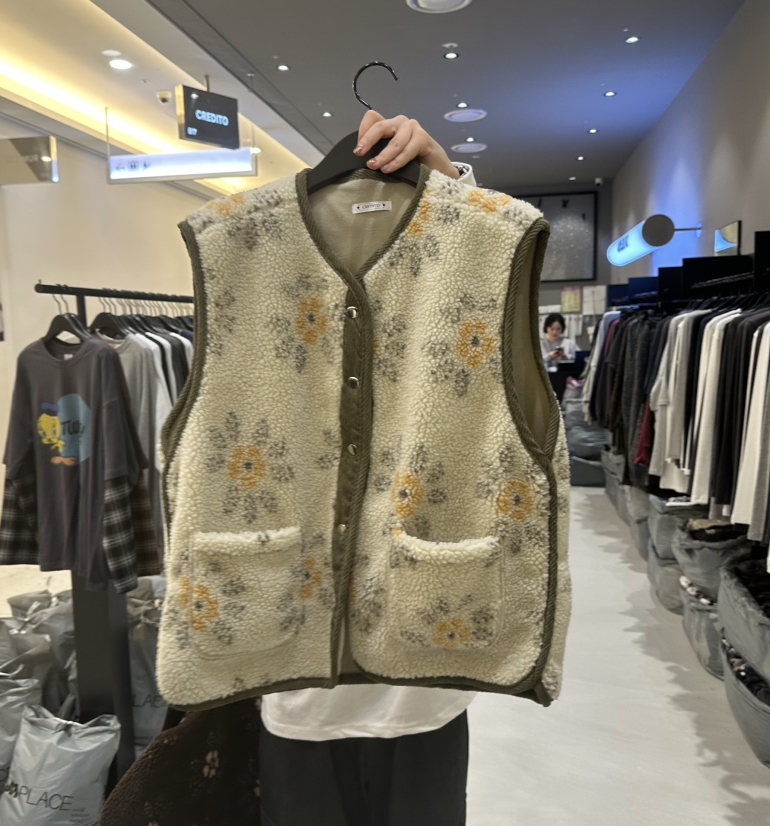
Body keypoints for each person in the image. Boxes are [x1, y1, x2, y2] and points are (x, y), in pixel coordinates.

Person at [258, 112, 474, 826]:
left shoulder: (459, 257)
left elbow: (494, 272)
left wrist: (451, 185)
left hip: (422, 667)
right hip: (296, 669)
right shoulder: (255, 254)